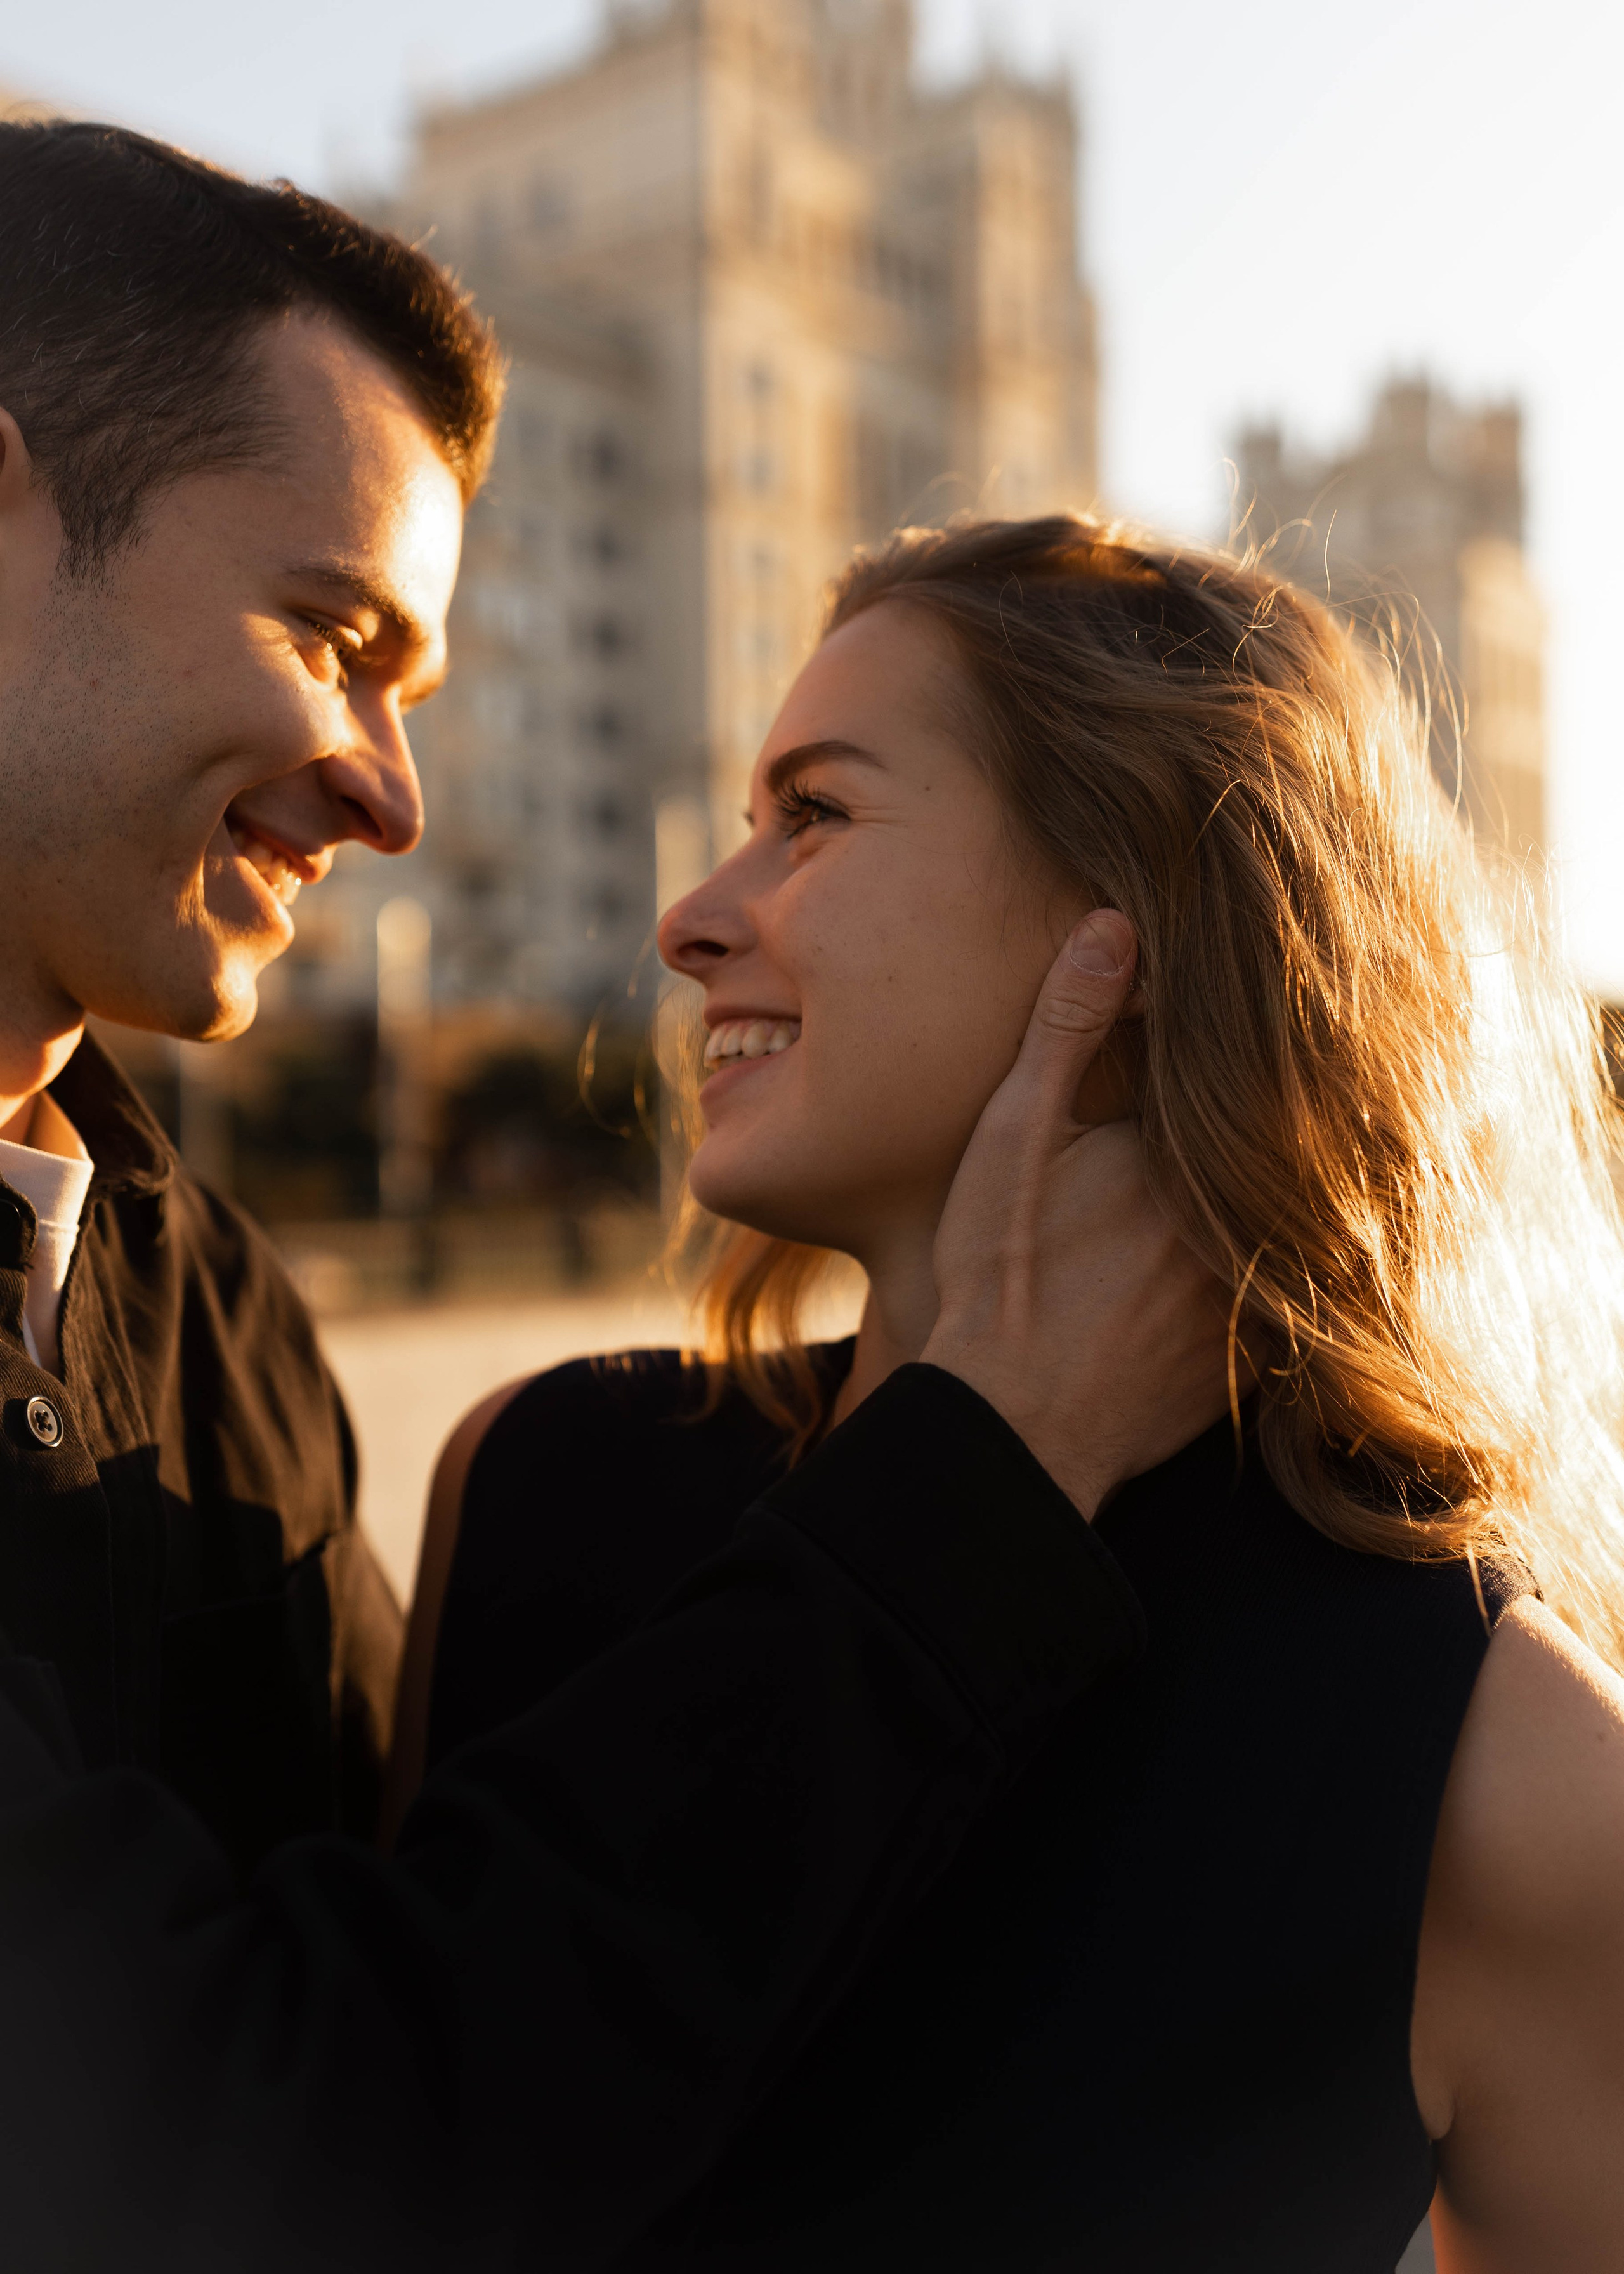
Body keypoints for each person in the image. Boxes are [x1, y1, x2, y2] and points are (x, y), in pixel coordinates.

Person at [0, 125, 1236, 2267]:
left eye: (417, 689)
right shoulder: (541, 1466)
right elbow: (236, 2135)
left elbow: (417, 1928)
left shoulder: (211, 1318)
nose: (391, 791)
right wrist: (975, 1497)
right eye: (330, 632)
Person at [398, 517, 1624, 2271]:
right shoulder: (537, 1476)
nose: (691, 919)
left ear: (1136, 912)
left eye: (812, 814)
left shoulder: (1501, 1751)